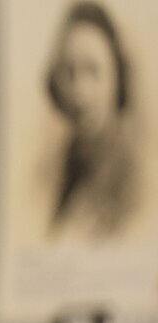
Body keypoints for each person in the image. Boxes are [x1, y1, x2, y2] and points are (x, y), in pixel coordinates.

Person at [43, 0, 138, 241]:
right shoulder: (61, 164)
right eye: (70, 72)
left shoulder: (135, 175)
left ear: (117, 79)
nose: (79, 91)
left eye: (92, 71)